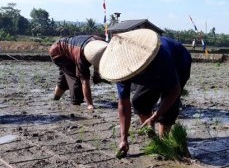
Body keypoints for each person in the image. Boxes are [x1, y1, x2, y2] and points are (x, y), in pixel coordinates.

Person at [99, 29, 192, 158]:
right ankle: (151, 133)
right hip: (151, 72)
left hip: (178, 62)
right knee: (139, 102)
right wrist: (123, 138)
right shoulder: (121, 69)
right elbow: (123, 104)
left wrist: (156, 115)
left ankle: (164, 141)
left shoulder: (159, 57)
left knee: (168, 107)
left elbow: (174, 90)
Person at [49, 35, 107, 110]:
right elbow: (84, 81)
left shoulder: (102, 44)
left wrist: (96, 74)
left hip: (68, 50)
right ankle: (76, 104)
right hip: (58, 53)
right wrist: (90, 104)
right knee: (76, 80)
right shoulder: (82, 58)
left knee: (65, 78)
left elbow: (98, 58)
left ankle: (55, 99)